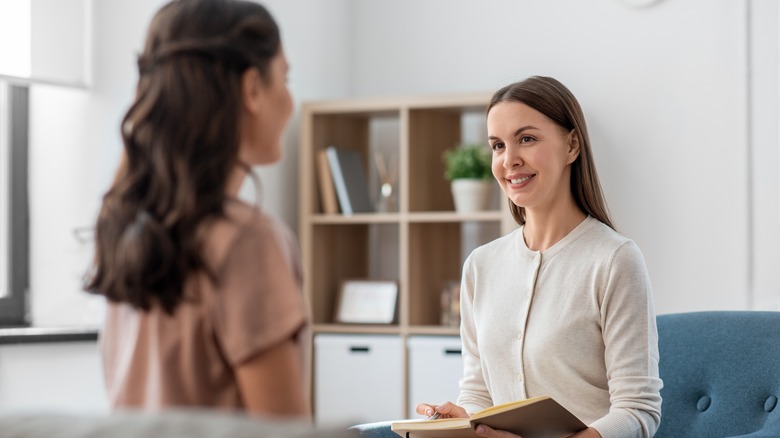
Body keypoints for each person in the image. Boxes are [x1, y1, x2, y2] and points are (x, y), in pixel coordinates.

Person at [85, 0, 308, 418]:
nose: (291, 101)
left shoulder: (124, 227)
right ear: (252, 90)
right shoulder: (246, 240)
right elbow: (283, 431)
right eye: (285, 78)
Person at [416, 76, 662, 438]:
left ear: (572, 145)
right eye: (498, 146)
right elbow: (479, 389)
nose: (509, 160)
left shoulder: (614, 260)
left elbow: (638, 411)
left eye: (526, 139)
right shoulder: (480, 266)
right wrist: (462, 421)